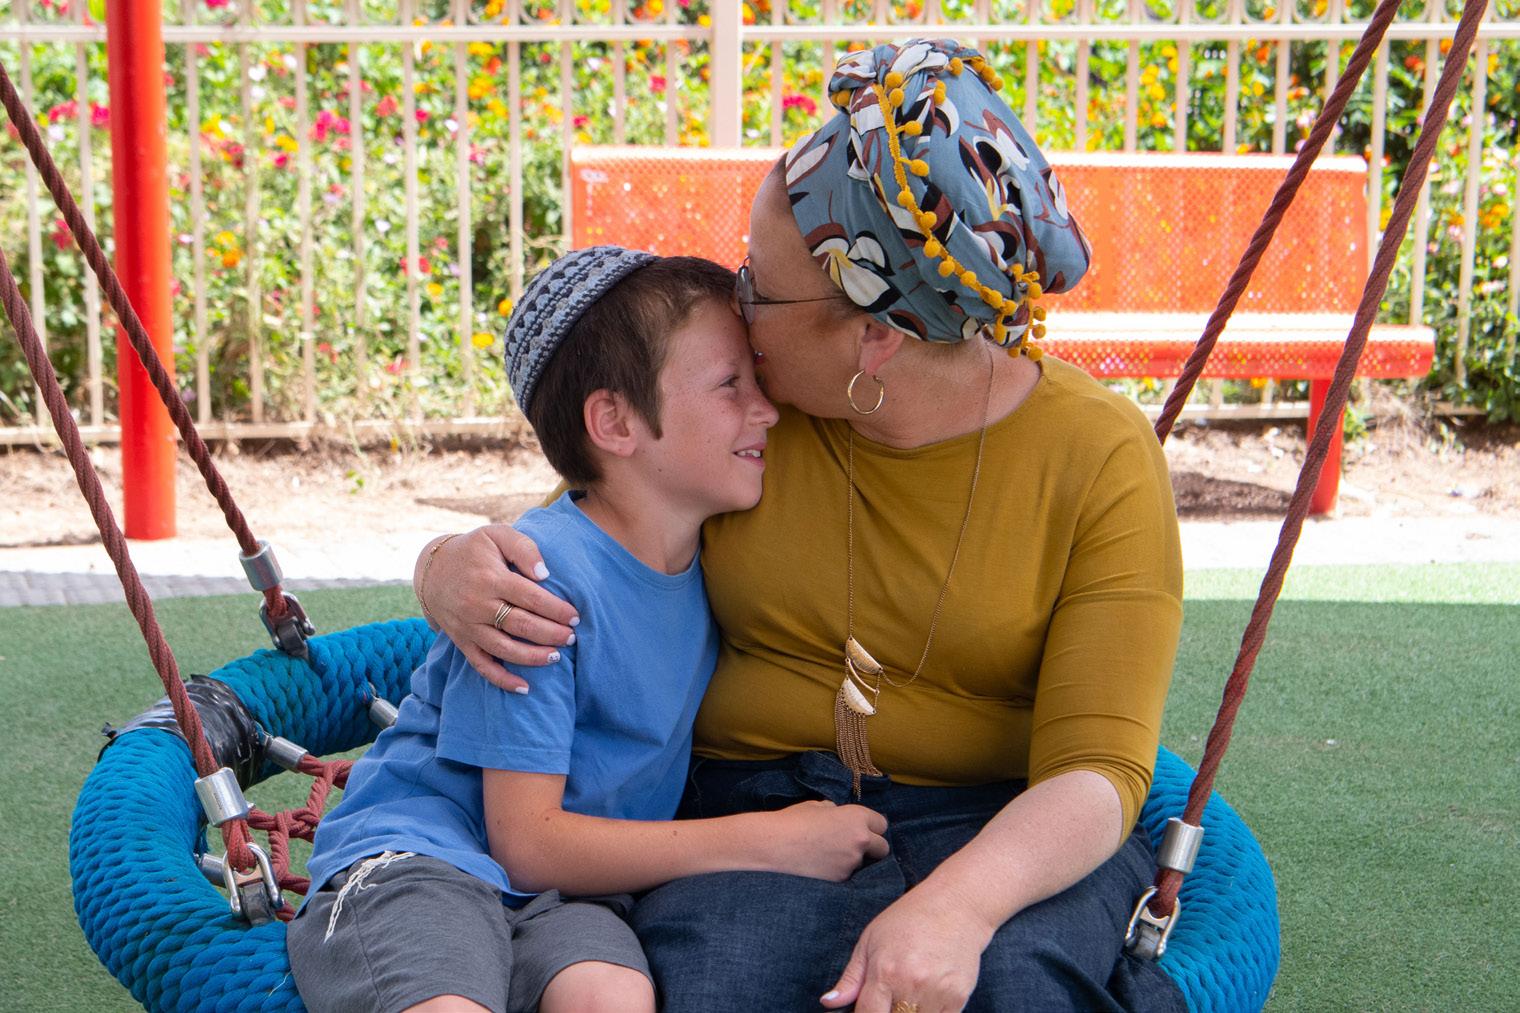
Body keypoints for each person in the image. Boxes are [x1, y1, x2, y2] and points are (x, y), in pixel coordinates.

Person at [416, 38, 1187, 1013]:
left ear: (876, 334)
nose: (737, 310)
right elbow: (579, 537)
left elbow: (1097, 769)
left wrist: (957, 905)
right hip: (753, 804)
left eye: (760, 287)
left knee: (1012, 987)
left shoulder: (1097, 456)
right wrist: (444, 568)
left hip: (1003, 822)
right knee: (717, 985)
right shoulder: (747, 423)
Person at [287, 250, 891, 1013]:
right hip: (422, 859)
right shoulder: (540, 580)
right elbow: (527, 840)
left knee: (612, 995)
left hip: (570, 897)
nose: (766, 410)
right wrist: (771, 840)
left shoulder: (714, 565)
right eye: (730, 384)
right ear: (615, 422)